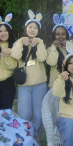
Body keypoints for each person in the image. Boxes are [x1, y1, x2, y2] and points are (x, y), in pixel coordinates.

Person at [11, 10, 48, 138]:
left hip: (39, 84)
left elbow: (42, 58)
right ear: (26, 28)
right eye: (30, 27)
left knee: (38, 114)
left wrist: (39, 43)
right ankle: (24, 139)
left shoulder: (41, 43)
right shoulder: (19, 42)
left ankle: (36, 139)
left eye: (35, 27)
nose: (32, 30)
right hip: (24, 85)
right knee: (24, 114)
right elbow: (15, 55)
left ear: (38, 30)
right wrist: (21, 42)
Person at [46, 20, 70, 87]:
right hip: (55, 84)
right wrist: (54, 46)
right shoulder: (50, 49)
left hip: (70, 83)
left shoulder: (72, 45)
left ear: (66, 35)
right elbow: (52, 62)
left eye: (63, 34)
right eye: (57, 34)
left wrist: (70, 46)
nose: (60, 36)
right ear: (54, 36)